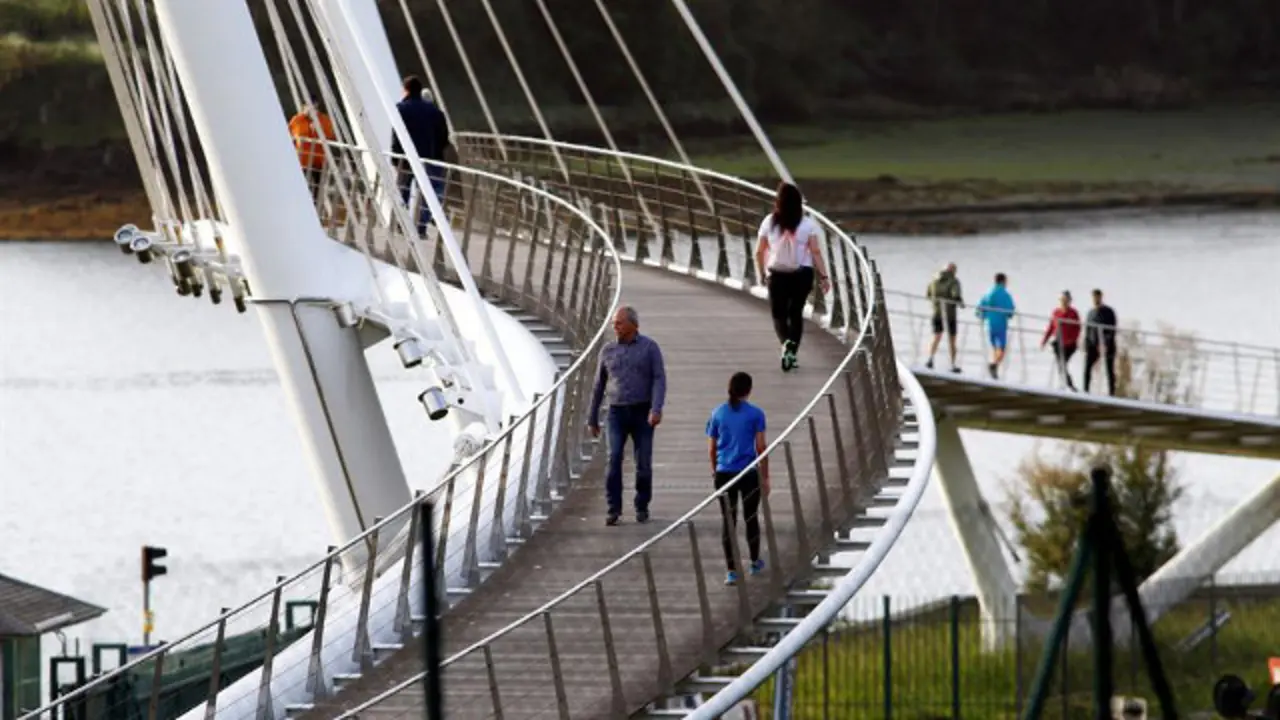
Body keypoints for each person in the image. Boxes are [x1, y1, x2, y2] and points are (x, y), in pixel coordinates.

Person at [588, 306, 667, 526]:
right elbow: (598, 386)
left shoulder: (650, 348)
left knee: (643, 463)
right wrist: (592, 417)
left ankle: (642, 506)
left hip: (643, 413)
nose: (615, 326)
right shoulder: (607, 350)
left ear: (633, 325)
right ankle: (613, 508)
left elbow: (659, 379)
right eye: (614, 322)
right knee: (613, 458)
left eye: (619, 322)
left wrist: (656, 409)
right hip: (616, 412)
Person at [754, 182, 831, 372]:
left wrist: (762, 273)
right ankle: (792, 352)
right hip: (802, 274)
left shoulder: (768, 222)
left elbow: (759, 251)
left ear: (778, 202)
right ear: (799, 203)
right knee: (796, 313)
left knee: (778, 315)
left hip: (777, 274)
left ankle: (786, 344)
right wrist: (824, 276)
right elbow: (815, 252)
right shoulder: (808, 224)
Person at [706, 372, 769, 586]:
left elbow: (712, 448)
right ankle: (754, 561)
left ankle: (731, 570)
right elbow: (761, 447)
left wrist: (715, 470)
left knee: (728, 521)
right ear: (748, 391)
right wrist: (766, 476)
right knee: (751, 518)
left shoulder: (717, 413)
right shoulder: (756, 414)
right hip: (748, 473)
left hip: (724, 473)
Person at [390, 76, 451, 234]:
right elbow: (444, 137)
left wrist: (395, 157)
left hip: (407, 158)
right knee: (427, 193)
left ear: (406, 90)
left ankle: (402, 224)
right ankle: (421, 226)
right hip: (430, 158)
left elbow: (397, 135)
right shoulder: (436, 112)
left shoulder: (401, 109)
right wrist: (436, 151)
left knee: (403, 190)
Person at [286, 100, 335, 199]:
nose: (313, 111)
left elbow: (330, 137)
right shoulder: (296, 120)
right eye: (311, 107)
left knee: (318, 187)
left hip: (318, 161)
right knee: (301, 186)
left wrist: (318, 130)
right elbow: (289, 136)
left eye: (316, 108)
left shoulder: (324, 120)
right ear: (304, 107)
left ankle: (315, 207)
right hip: (302, 160)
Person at [976, 273, 1016, 379]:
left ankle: (994, 372)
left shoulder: (988, 293)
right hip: (1000, 325)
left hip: (989, 324)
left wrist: (982, 316)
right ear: (1003, 281)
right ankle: (993, 365)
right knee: (1001, 349)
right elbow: (1011, 310)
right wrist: (1009, 314)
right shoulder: (1005, 294)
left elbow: (979, 308)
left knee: (995, 348)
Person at [925, 263, 964, 372]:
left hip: (936, 313)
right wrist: (960, 303)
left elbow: (928, 295)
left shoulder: (934, 280)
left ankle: (930, 359)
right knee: (952, 340)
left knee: (936, 336)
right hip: (950, 315)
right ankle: (953, 364)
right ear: (953, 271)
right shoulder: (954, 281)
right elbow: (955, 295)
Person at [1040, 290, 1081, 391]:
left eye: (1066, 300)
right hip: (1058, 343)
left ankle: (1069, 385)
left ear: (1069, 301)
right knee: (1061, 366)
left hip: (1070, 344)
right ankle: (1069, 385)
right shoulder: (1056, 312)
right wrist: (1044, 341)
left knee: (1062, 364)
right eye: (1062, 300)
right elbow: (1051, 327)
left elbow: (1078, 328)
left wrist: (1072, 340)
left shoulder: (1073, 313)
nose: (1064, 302)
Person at [1085, 289, 1119, 396]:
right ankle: (1085, 391)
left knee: (1109, 369)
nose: (1096, 299)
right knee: (1087, 367)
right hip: (1093, 345)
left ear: (1101, 297)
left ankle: (1111, 393)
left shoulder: (1109, 312)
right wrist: (1087, 343)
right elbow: (1088, 330)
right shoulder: (1090, 313)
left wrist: (1105, 343)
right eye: (1094, 297)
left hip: (1108, 345)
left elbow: (1112, 328)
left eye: (1097, 297)